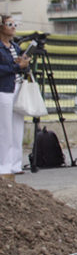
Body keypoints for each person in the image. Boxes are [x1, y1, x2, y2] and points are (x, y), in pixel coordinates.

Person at [0, 15, 30, 180]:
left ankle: (15, 163)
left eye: (15, 24)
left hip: (17, 86)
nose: (13, 27)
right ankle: (4, 165)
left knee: (17, 126)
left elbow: (21, 66)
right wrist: (17, 66)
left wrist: (24, 63)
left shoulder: (14, 47)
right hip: (4, 88)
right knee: (4, 128)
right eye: (9, 24)